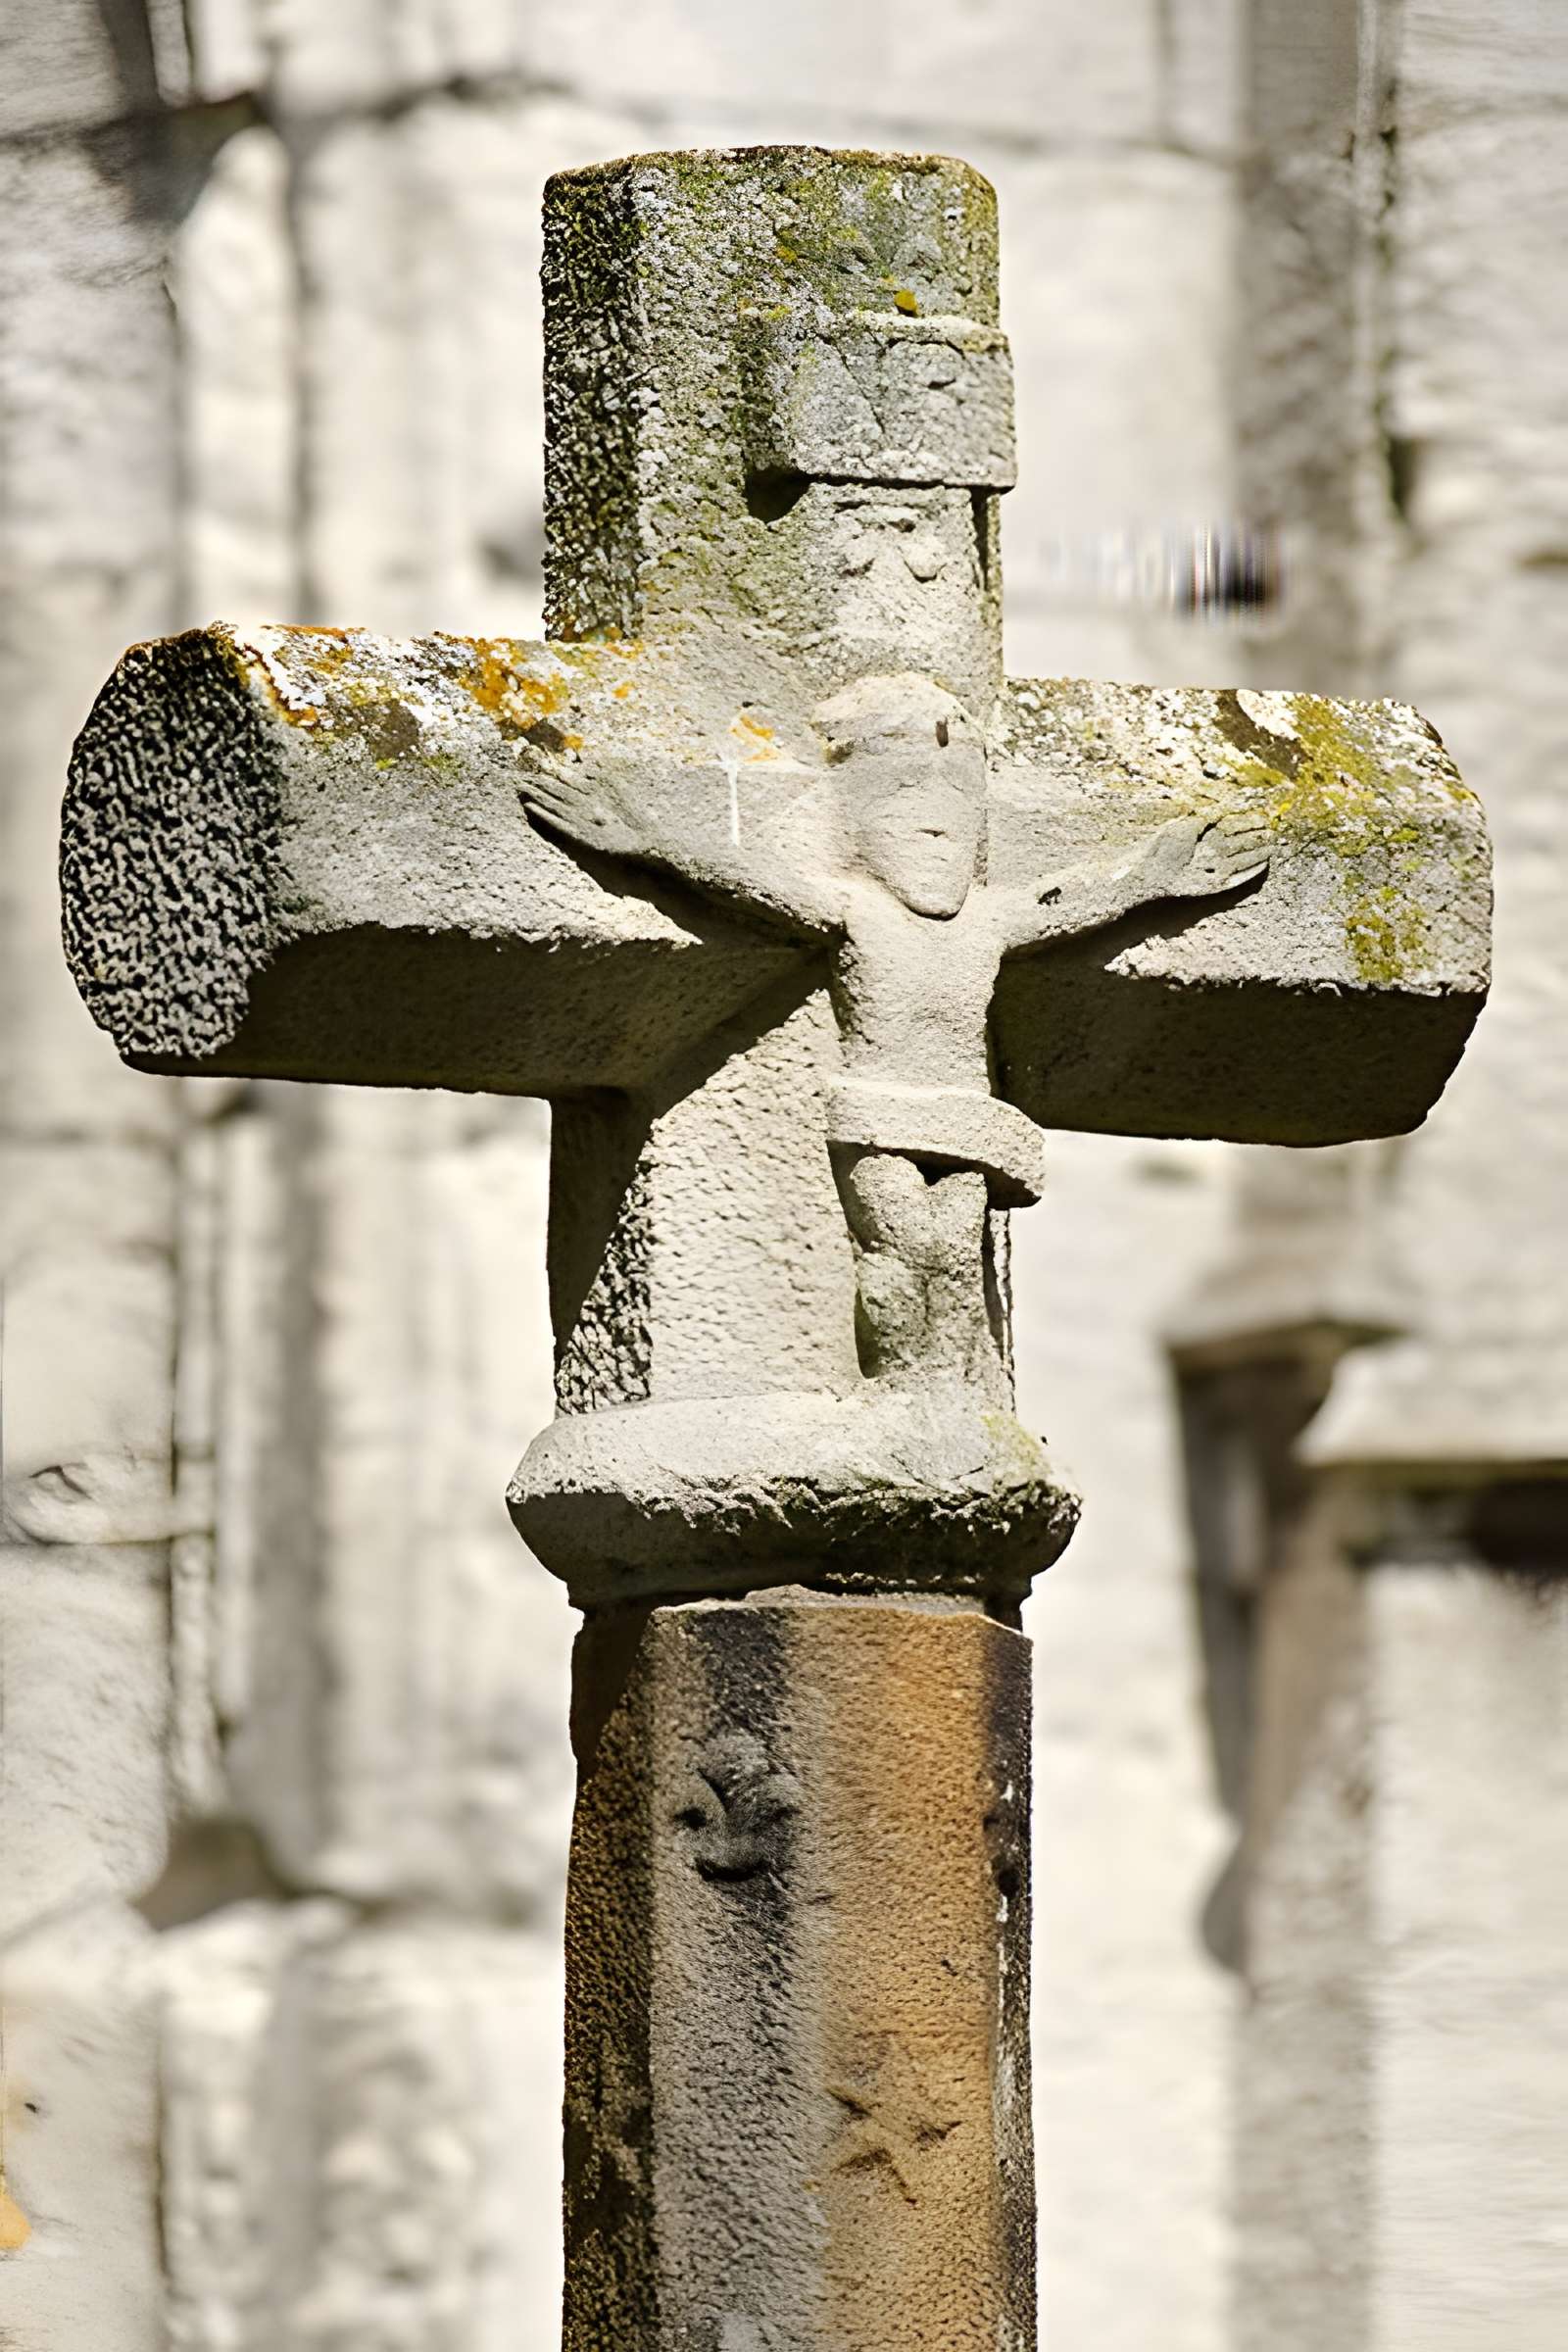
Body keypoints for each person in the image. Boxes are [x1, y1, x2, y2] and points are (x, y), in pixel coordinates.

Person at [518, 673, 1268, 1396]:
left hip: (965, 1112)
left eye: (957, 819)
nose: (937, 837)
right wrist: (643, 840)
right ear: (857, 826)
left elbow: (1071, 904)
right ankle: (902, 1384)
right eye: (907, 807)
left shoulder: (989, 919)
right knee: (896, 1245)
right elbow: (746, 879)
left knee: (953, 1253)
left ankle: (948, 1386)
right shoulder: (854, 912)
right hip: (877, 1112)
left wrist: (1153, 880)